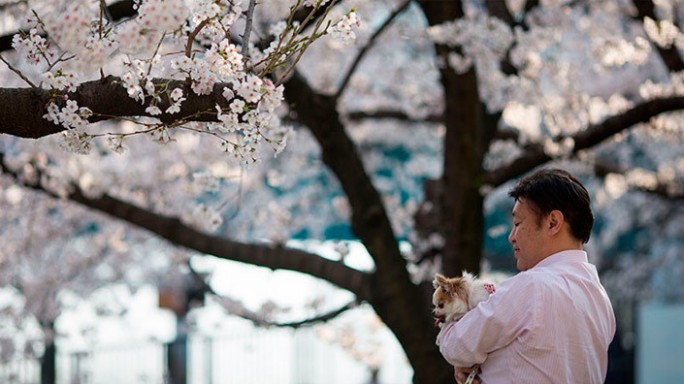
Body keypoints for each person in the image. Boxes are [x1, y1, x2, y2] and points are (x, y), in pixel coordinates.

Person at [438, 168, 616, 384]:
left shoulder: (531, 286)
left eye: (518, 224)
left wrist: (455, 334)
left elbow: (457, 346)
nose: (512, 237)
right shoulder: (600, 299)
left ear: (553, 223)